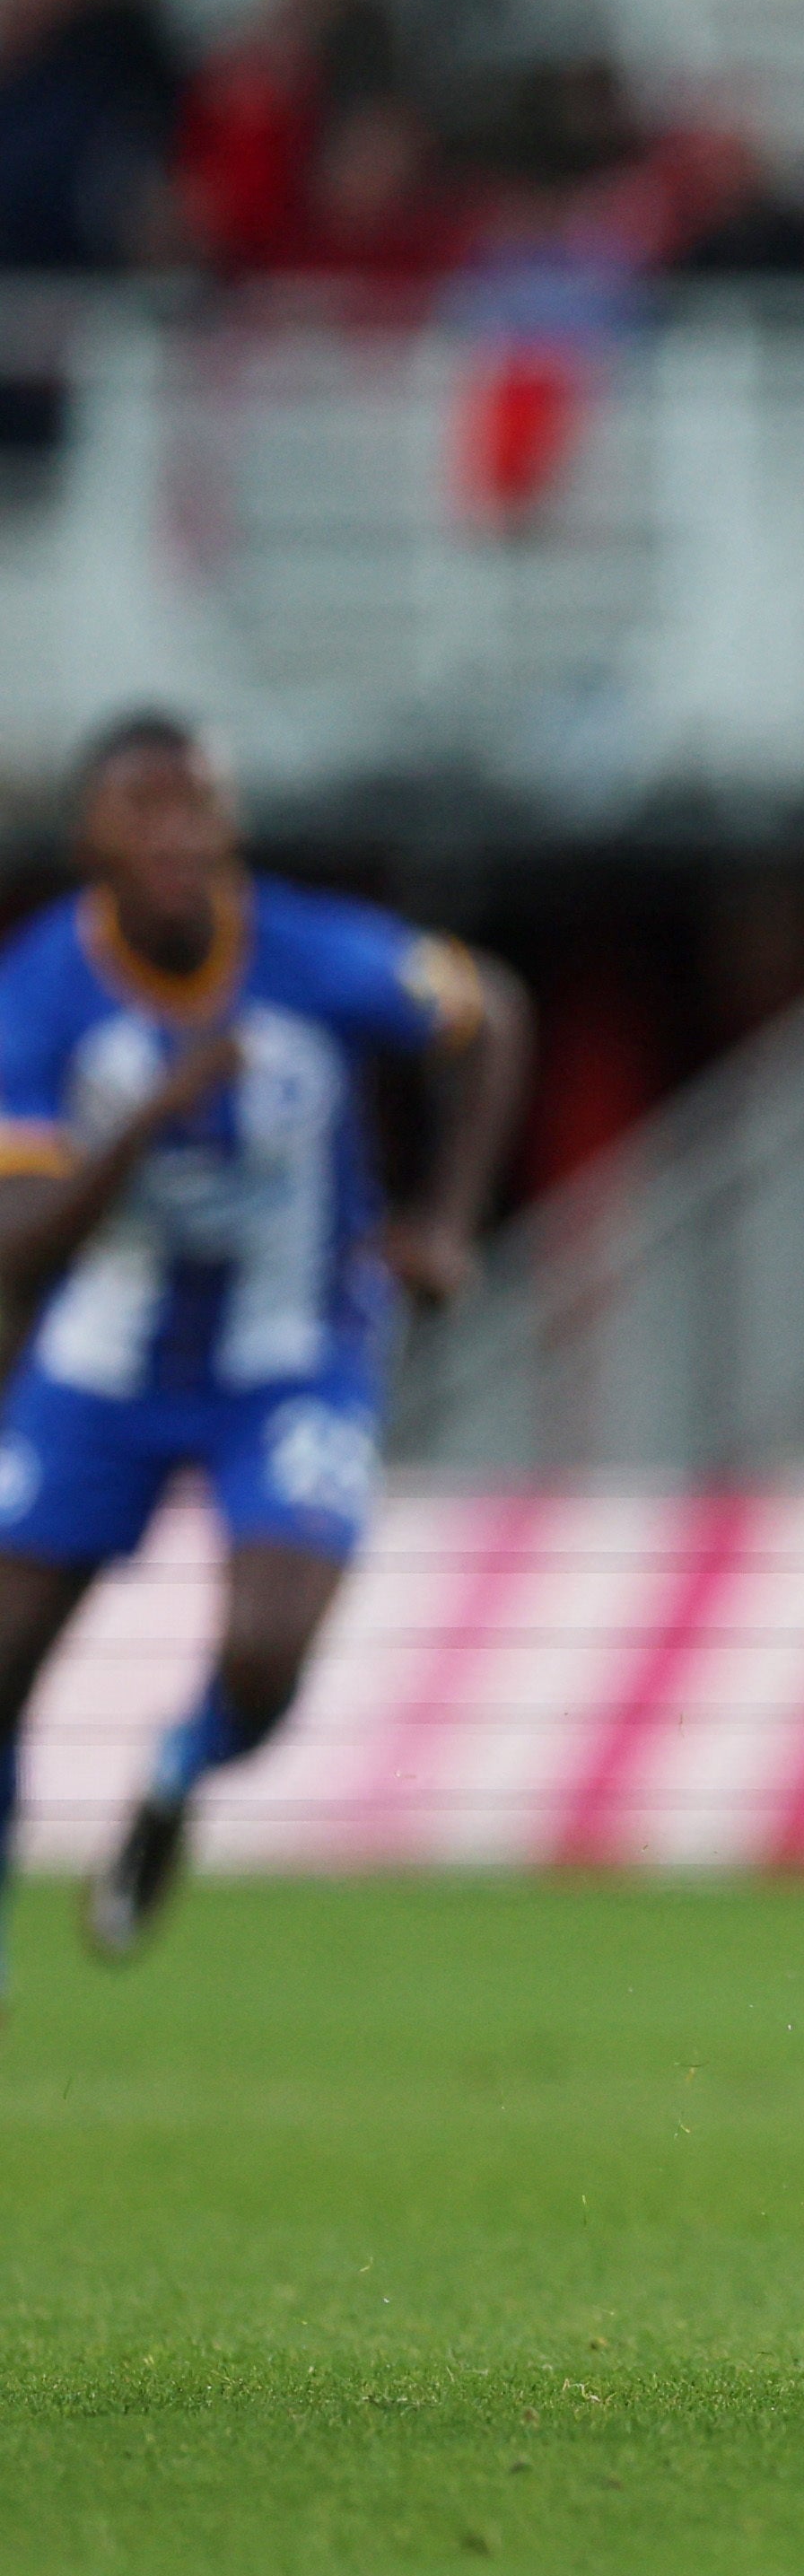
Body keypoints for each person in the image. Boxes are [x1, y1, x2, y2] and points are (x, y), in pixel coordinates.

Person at [0, 709, 529, 1999]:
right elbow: (17, 1245)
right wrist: (139, 1128)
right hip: (104, 1365)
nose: (182, 835)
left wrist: (447, 1222)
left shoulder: (310, 952)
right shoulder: (40, 989)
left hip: (293, 1355)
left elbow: (491, 1015)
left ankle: (177, 1773)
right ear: (92, 841)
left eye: (202, 808)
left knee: (268, 1651)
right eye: (149, 811)